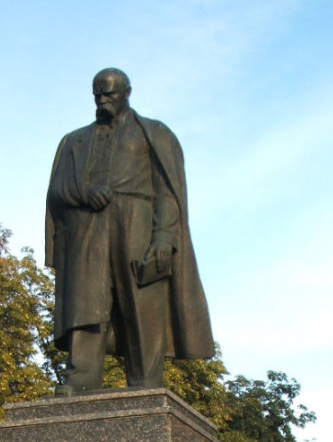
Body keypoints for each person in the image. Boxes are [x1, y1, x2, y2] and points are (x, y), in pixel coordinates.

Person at [45, 68, 214, 394]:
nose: (102, 100)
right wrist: (84, 192)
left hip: (137, 224)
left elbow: (168, 192)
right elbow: (56, 190)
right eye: (97, 94)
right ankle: (81, 377)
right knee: (86, 306)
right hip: (89, 229)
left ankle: (146, 382)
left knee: (142, 306)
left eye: (109, 94)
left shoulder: (153, 133)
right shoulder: (74, 141)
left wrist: (164, 237)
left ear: (127, 92)